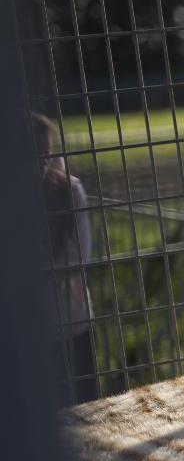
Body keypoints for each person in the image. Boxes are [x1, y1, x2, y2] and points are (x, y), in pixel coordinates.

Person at [32, 112, 98, 404]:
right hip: (27, 333)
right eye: (33, 152)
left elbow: (79, 256)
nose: (43, 160)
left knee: (85, 407)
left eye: (46, 152)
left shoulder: (69, 191)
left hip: (71, 323)